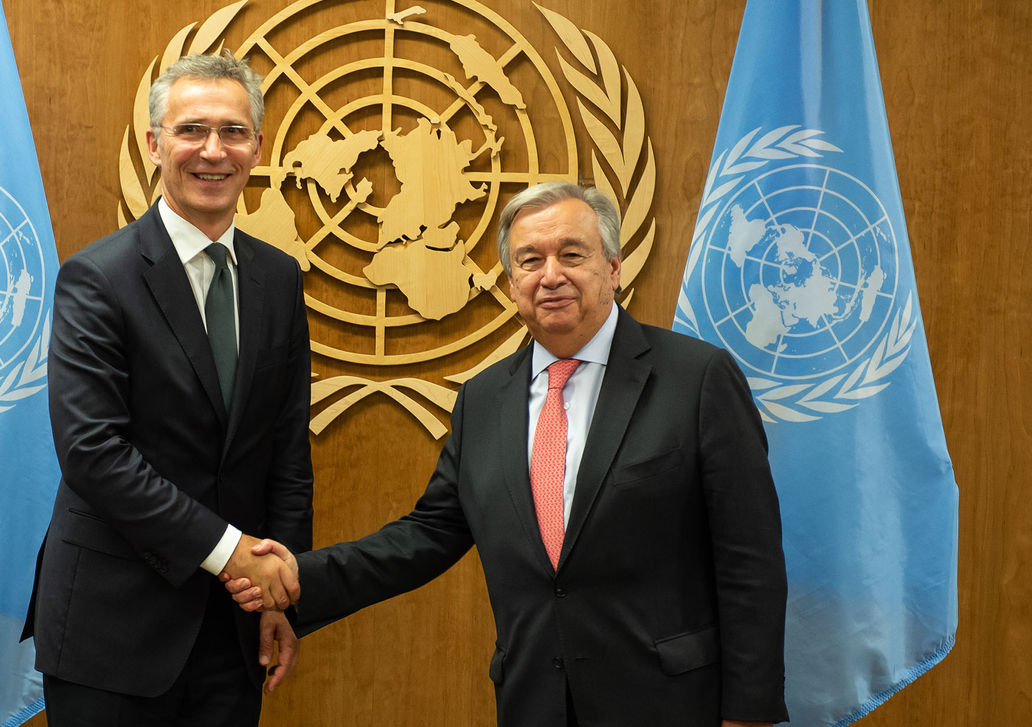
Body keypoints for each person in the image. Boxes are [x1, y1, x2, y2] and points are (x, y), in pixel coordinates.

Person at [229, 181, 789, 726]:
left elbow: (750, 564)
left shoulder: (697, 379)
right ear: (510, 280)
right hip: (534, 701)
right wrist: (300, 576)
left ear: (613, 269)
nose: (551, 276)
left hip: (669, 703)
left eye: (572, 254)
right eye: (529, 260)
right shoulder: (486, 397)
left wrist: (748, 713)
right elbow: (427, 535)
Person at [24, 52, 313, 726]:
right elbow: (94, 453)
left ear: (258, 147)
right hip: (112, 630)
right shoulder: (96, 278)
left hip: (233, 630)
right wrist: (230, 552)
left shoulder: (279, 279)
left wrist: (282, 595)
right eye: (191, 130)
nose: (213, 150)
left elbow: (286, 449)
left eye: (234, 132)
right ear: (155, 145)